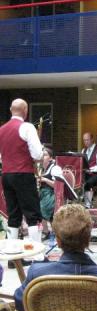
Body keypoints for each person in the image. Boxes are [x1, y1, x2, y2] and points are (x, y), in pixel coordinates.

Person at [0, 99, 43, 246]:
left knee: (13, 215)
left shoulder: (2, 129)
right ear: (25, 111)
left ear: (11, 110)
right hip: (23, 174)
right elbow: (37, 155)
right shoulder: (27, 127)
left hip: (6, 175)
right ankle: (35, 255)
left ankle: (14, 256)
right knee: (33, 214)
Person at [39, 147, 62, 238]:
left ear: (51, 158)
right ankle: (45, 230)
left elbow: (58, 185)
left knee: (42, 205)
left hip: (53, 193)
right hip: (42, 192)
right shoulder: (40, 168)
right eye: (42, 155)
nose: (42, 157)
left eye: (45, 155)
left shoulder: (55, 168)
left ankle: (51, 231)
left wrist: (45, 180)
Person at [82, 132, 97, 208]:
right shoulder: (83, 150)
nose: (86, 142)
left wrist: (91, 170)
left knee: (88, 183)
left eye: (87, 140)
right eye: (84, 140)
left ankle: (88, 204)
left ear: (92, 139)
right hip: (86, 174)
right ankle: (83, 201)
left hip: (96, 175)